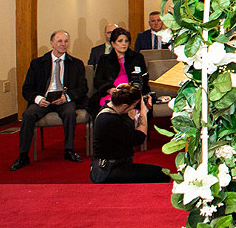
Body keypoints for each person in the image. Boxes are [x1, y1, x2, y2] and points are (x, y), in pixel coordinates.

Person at [11, 29, 89, 170]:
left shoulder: (76, 64)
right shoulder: (37, 64)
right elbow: (27, 89)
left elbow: (83, 88)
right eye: (59, 41)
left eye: (65, 41)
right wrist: (38, 99)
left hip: (64, 100)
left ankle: (69, 150)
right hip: (44, 100)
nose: (63, 44)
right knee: (28, 115)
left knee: (70, 112)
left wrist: (66, 97)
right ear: (52, 43)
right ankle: (23, 155)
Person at [90, 83, 170, 183]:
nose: (134, 108)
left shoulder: (112, 108)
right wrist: (143, 113)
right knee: (163, 174)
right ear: (124, 106)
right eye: (134, 105)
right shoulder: (109, 119)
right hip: (108, 171)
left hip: (114, 165)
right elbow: (138, 138)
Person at [88, 27, 149, 116]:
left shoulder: (137, 57)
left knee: (134, 107)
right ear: (113, 43)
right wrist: (110, 89)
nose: (124, 44)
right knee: (107, 108)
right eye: (120, 41)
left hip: (132, 93)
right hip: (112, 93)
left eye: (126, 41)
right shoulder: (104, 59)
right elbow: (98, 80)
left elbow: (144, 78)